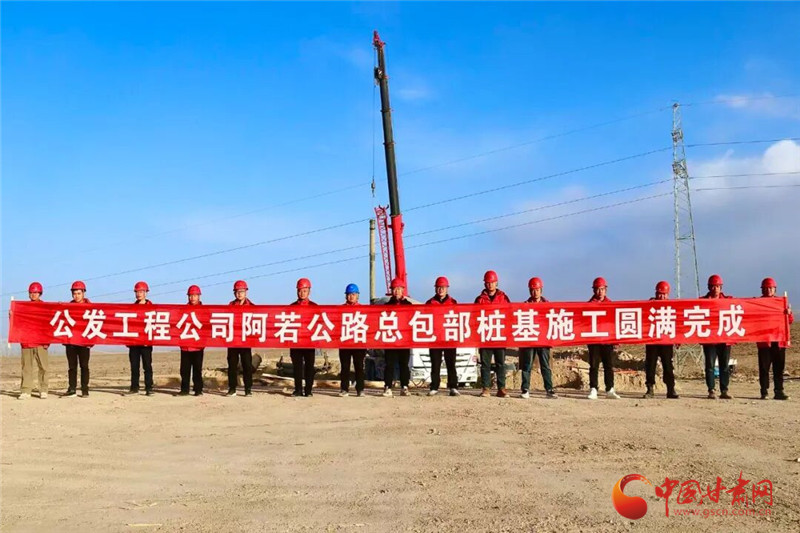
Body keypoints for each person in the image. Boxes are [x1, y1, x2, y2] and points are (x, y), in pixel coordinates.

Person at [518, 277, 557, 399]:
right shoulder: (525, 305)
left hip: (543, 340)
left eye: (537, 290)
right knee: (527, 365)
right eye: (532, 290)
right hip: (530, 339)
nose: (535, 292)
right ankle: (525, 389)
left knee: (545, 365)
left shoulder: (547, 305)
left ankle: (549, 389)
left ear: (541, 290)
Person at [474, 270, 510, 398]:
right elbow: (474, 316)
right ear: (485, 284)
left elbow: (509, 314)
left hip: (499, 336)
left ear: (496, 283)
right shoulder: (479, 299)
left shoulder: (503, 298)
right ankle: (486, 388)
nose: (490, 285)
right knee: (485, 364)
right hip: (485, 337)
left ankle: (501, 388)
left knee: (501, 363)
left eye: (492, 282)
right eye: (488, 282)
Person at [757, 277, 793, 400]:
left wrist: (788, 313)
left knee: (779, 367)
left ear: (775, 289)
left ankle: (779, 391)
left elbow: (789, 321)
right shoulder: (757, 304)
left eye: (770, 288)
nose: (768, 290)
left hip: (779, 341)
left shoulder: (780, 303)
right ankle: (764, 391)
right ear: (762, 290)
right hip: (764, 341)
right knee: (764, 368)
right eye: (766, 288)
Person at [643, 281, 678, 399]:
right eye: (659, 294)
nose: (661, 296)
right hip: (652, 341)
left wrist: (678, 339)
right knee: (650, 365)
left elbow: (677, 323)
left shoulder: (672, 307)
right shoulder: (649, 306)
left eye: (664, 294)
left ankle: (670, 389)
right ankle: (650, 388)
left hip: (666, 341)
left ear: (668, 294)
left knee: (668, 365)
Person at [587, 277, 620, 400]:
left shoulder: (611, 305)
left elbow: (615, 323)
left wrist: (616, 340)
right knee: (594, 365)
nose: (599, 292)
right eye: (597, 289)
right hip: (594, 340)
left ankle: (610, 389)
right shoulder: (588, 305)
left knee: (608, 365)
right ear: (593, 290)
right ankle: (593, 388)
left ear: (606, 290)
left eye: (602, 289)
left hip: (607, 341)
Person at [701, 274, 733, 400]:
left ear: (721, 287)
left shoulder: (729, 301)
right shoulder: (702, 301)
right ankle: (711, 389)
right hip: (709, 340)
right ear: (709, 287)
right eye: (713, 286)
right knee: (710, 366)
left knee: (724, 366)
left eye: (718, 286)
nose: (715, 289)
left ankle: (724, 390)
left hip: (724, 340)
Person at [426, 276, 460, 397]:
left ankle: (453, 386)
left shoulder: (453, 302)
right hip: (435, 338)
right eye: (439, 287)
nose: (441, 289)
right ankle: (434, 386)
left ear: (447, 289)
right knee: (435, 363)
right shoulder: (429, 303)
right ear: (435, 288)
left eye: (443, 287)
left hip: (449, 338)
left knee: (451, 363)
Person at [17, 282, 49, 400]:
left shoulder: (45, 307)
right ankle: (26, 390)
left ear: (40, 293)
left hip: (41, 342)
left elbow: (49, 324)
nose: (33, 294)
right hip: (27, 342)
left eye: (35, 292)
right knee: (26, 367)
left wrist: (47, 341)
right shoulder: (23, 308)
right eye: (31, 292)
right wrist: (12, 315)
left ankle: (43, 390)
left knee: (43, 367)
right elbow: (18, 323)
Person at [383, 277, 413, 397]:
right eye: (394, 289)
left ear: (403, 290)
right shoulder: (386, 306)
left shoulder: (409, 305)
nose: (397, 291)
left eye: (399, 289)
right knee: (389, 364)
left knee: (404, 364)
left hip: (404, 340)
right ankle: (387, 387)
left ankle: (404, 386)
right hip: (390, 339)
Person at [64, 281, 93, 397]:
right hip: (71, 342)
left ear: (83, 293)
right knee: (72, 367)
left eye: (79, 293)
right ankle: (72, 388)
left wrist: (91, 341)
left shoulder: (91, 308)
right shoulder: (68, 308)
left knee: (84, 366)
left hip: (84, 342)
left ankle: (85, 389)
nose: (76, 296)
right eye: (74, 293)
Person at [289, 278, 318, 397]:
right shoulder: (291, 307)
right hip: (296, 342)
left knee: (309, 367)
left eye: (304, 290)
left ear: (309, 291)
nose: (302, 293)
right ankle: (298, 390)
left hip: (309, 342)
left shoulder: (314, 307)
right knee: (297, 367)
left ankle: (308, 390)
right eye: (300, 290)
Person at [227, 280, 254, 397]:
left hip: (246, 341)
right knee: (232, 366)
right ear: (234, 293)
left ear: (246, 292)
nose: (239, 294)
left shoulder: (252, 307)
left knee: (247, 365)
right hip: (233, 341)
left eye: (241, 291)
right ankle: (232, 388)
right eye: (237, 291)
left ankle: (248, 389)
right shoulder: (230, 306)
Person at [339, 283, 367, 397]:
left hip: (359, 342)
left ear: (357, 296)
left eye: (353, 294)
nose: (351, 296)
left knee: (359, 367)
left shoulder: (363, 309)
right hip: (345, 342)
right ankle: (344, 389)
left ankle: (360, 389)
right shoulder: (340, 309)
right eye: (349, 294)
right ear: (346, 296)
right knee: (345, 367)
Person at [127, 281, 154, 396]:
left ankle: (149, 387)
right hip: (134, 342)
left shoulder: (152, 308)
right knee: (134, 366)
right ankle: (134, 387)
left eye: (141, 292)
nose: (139, 294)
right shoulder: (131, 308)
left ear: (146, 293)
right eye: (137, 292)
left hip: (146, 343)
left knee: (147, 366)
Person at [179, 285, 205, 396]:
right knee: (184, 369)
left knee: (197, 369)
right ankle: (184, 389)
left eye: (194, 295)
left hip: (198, 345)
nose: (192, 298)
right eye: (190, 295)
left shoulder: (204, 311)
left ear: (199, 296)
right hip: (185, 345)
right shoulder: (183, 310)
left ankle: (198, 389)